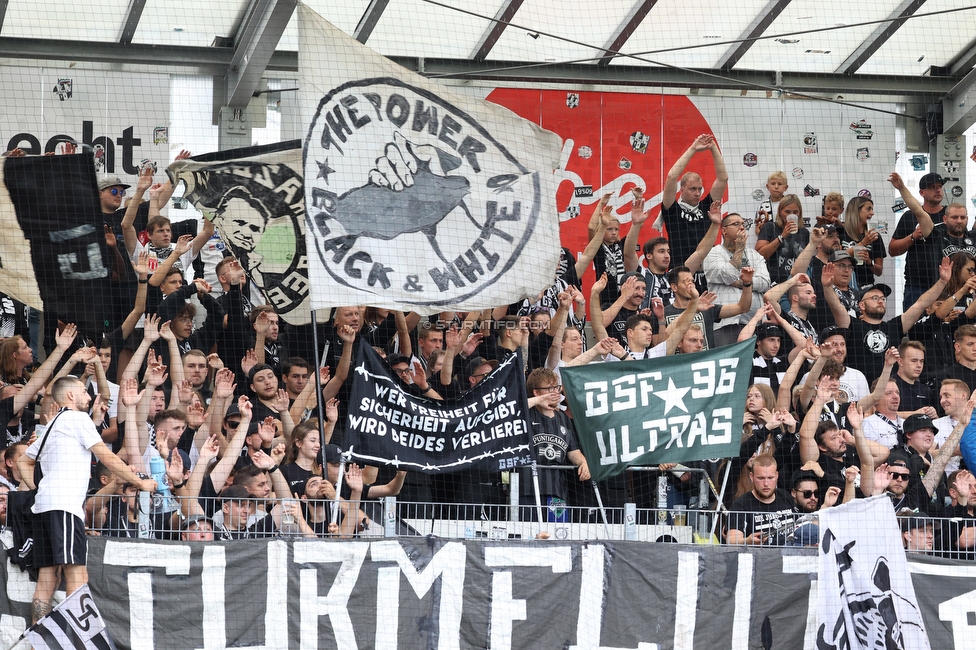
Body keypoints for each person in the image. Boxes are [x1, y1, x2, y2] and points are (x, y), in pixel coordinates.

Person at [17, 376, 157, 623]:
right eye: (84, 391)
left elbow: (24, 461)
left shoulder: (52, 424)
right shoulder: (77, 418)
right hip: (64, 507)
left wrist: (40, 489)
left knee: (48, 579)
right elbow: (107, 457)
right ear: (70, 395)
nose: (89, 397)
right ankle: (77, 642)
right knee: (77, 575)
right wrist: (140, 483)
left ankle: (35, 646)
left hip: (44, 508)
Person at [822, 257, 950, 382]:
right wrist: (827, 287)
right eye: (875, 298)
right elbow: (836, 307)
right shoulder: (852, 324)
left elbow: (921, 303)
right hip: (860, 389)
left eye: (883, 299)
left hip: (890, 391)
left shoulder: (895, 326)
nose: (880, 302)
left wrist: (942, 282)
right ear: (861, 305)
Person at [659, 134, 729, 292]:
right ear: (681, 190)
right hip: (681, 273)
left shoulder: (707, 208)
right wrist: (692, 149)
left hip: (706, 275)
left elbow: (722, 178)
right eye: (692, 189)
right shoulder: (673, 211)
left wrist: (713, 148)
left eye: (699, 189)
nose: (697, 193)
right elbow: (671, 177)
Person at [519, 369, 589, 521]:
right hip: (528, 490)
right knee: (529, 534)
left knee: (559, 534)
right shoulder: (527, 413)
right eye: (549, 389)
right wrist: (538, 401)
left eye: (556, 387)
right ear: (536, 392)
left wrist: (583, 462)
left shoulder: (563, 418)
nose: (555, 392)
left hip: (557, 491)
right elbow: (511, 408)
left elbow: (573, 451)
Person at [703, 212, 769, 346]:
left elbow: (765, 283)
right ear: (724, 231)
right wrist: (739, 250)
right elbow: (727, 275)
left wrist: (744, 283)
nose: (742, 227)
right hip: (726, 325)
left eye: (743, 224)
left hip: (755, 324)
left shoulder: (754, 255)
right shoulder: (713, 253)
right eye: (736, 224)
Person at [889, 172, 948, 309]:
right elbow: (892, 250)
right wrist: (912, 237)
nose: (938, 190)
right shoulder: (909, 216)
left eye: (940, 186)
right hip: (916, 285)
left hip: (946, 284)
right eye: (932, 187)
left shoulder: (951, 215)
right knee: (913, 328)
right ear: (922, 192)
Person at [726, 455, 795, 545]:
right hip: (758, 557)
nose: (766, 483)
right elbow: (731, 540)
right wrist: (748, 541)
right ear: (751, 477)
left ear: (777, 476)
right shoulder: (741, 505)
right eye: (761, 478)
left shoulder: (785, 496)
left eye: (770, 478)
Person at [755, 194, 811, 284]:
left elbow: (807, 260)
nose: (792, 215)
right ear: (780, 211)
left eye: (795, 212)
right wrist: (782, 236)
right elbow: (760, 255)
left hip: (797, 283)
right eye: (787, 212)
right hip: (774, 282)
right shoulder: (770, 227)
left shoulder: (804, 232)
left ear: (800, 213)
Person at [839, 196, 885, 288]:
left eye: (872, 209)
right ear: (856, 210)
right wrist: (863, 243)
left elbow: (879, 271)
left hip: (866, 287)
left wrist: (869, 261)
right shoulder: (840, 233)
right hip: (842, 287)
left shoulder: (874, 236)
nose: (872, 213)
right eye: (868, 209)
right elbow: (835, 258)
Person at [894, 341, 935, 414]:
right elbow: (881, 414)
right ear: (900, 361)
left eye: (921, 361)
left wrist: (934, 415)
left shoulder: (926, 390)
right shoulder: (889, 385)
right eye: (914, 360)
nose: (919, 365)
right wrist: (914, 414)